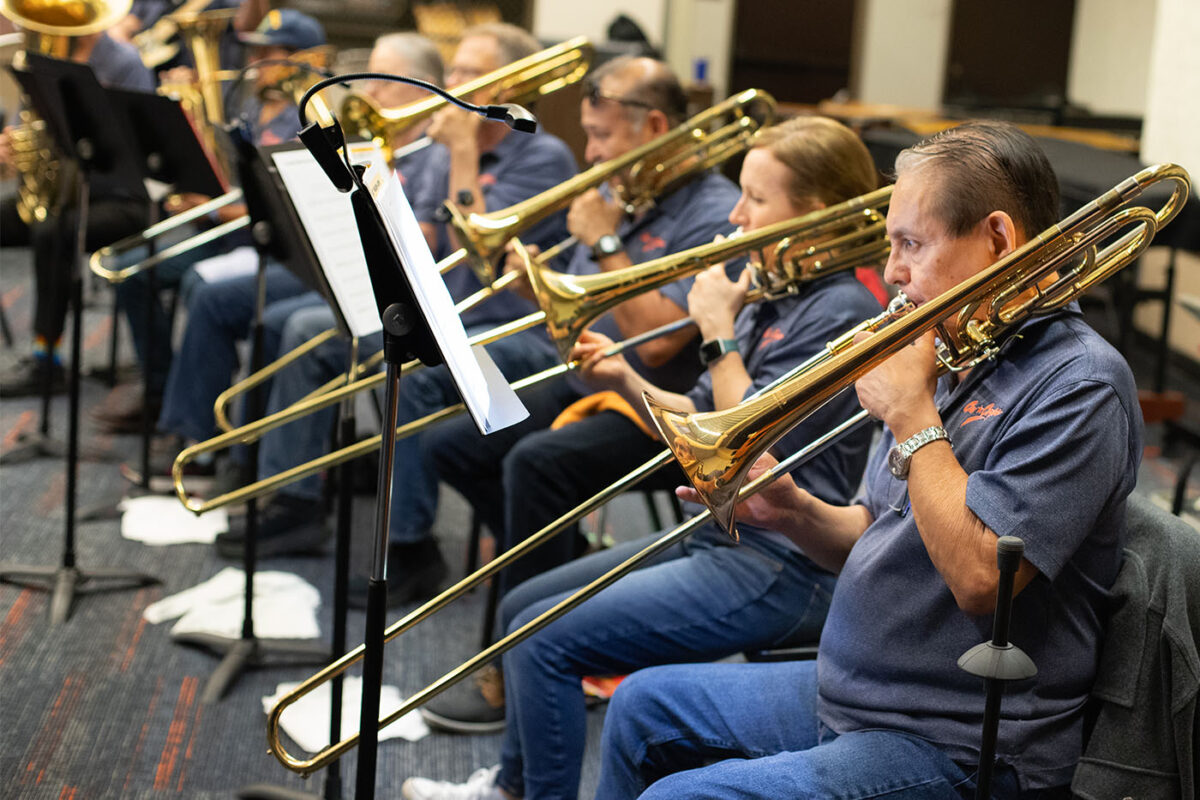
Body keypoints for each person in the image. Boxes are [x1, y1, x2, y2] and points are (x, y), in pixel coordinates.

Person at [592, 120, 1143, 799]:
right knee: (642, 706)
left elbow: (982, 580)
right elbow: (874, 529)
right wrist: (794, 512)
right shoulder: (959, 347)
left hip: (962, 741)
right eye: (890, 244)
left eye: (911, 243)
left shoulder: (1079, 383)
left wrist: (914, 415)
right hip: (861, 695)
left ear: (998, 238)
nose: (891, 273)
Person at [401, 116, 883, 800]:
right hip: (722, 537)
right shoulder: (775, 291)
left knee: (544, 641)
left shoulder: (839, 311)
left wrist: (718, 335)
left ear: (813, 213)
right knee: (522, 607)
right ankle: (511, 788)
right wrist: (626, 382)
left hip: (785, 563)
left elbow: (749, 455)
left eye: (756, 199)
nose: (737, 215)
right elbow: (699, 428)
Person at [212, 23, 579, 568]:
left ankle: (408, 547)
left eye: (470, 74)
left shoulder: (542, 156)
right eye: (453, 70)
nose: (452, 83)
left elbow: (477, 256)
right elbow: (422, 240)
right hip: (443, 310)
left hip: (511, 329)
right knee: (307, 330)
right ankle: (296, 503)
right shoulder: (435, 147)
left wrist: (461, 157)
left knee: (416, 372)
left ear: (510, 85)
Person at [416, 55, 741, 605]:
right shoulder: (625, 195)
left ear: (656, 128)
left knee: (535, 465)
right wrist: (535, 288)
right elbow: (590, 309)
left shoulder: (713, 211)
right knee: (450, 445)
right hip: (593, 380)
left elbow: (659, 344)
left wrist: (604, 242)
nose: (588, 153)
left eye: (599, 135)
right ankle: (559, 564)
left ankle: (532, 621)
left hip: (657, 408)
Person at [94, 7, 328, 433]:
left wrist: (217, 207)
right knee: (133, 273)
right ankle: (161, 390)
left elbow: (291, 211)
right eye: (256, 51)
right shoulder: (254, 105)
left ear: (305, 59)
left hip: (262, 243)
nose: (257, 63)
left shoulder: (310, 120)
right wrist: (185, 112)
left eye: (271, 53)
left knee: (200, 287)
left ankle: (196, 418)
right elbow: (223, 172)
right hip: (227, 233)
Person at [0, 23, 155, 396]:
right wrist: (11, 149)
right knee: (42, 223)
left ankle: (46, 360)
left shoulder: (124, 63)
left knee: (53, 232)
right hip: (61, 195)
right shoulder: (43, 59)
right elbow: (24, 124)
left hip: (121, 200)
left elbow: (140, 146)